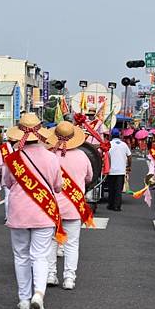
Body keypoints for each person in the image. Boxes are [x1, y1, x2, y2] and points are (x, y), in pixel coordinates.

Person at [3, 113, 63, 309]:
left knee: (21, 255)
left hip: (19, 211)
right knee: (40, 255)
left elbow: (8, 183)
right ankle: (39, 293)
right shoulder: (52, 157)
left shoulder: (12, 159)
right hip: (44, 212)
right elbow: (57, 186)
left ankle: (23, 298)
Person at [46, 121, 93, 290]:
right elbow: (89, 177)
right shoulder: (82, 156)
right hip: (75, 205)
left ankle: (51, 274)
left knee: (51, 241)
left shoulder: (49, 155)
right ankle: (69, 278)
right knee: (72, 243)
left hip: (52, 206)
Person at [107, 128, 131, 211]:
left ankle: (111, 204)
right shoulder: (124, 144)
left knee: (111, 188)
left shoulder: (108, 144)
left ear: (111, 135)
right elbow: (129, 156)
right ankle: (117, 206)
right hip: (121, 171)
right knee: (118, 189)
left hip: (111, 170)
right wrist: (129, 166)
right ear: (119, 135)